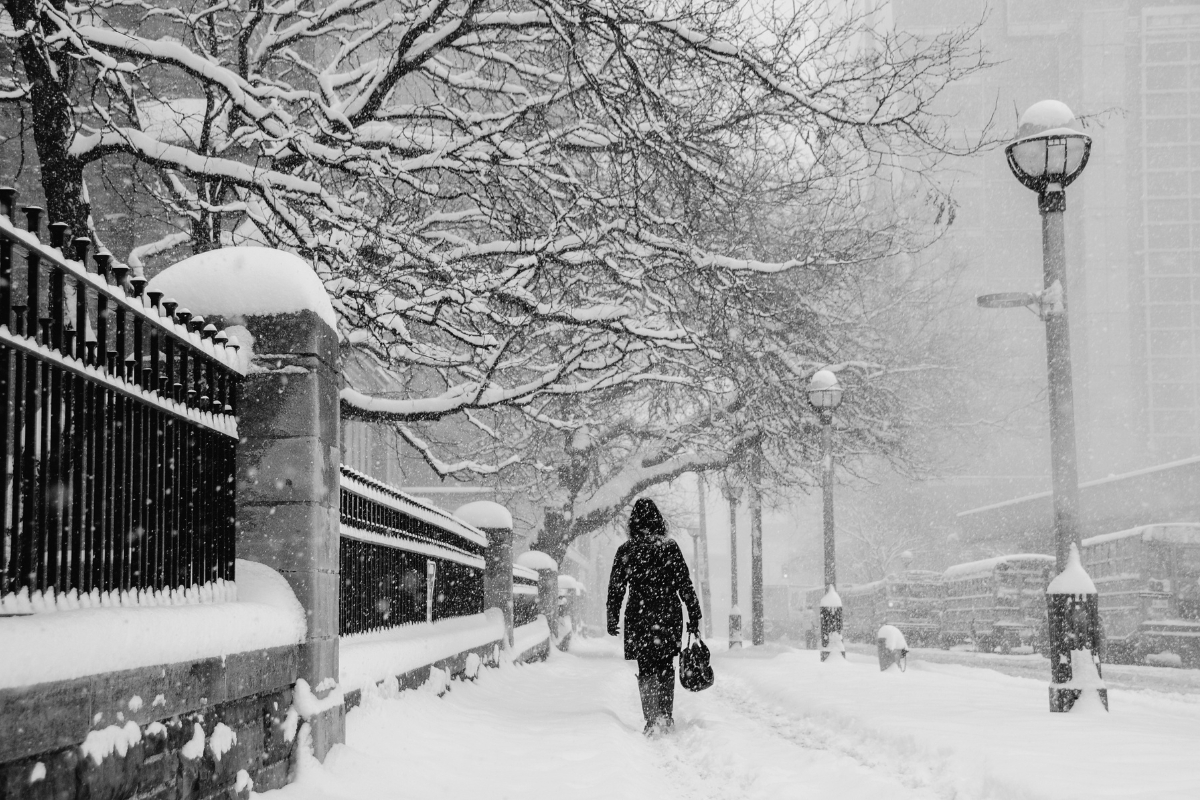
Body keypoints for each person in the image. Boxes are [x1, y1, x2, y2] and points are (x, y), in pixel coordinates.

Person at [607, 498, 702, 736]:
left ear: (633, 523)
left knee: (646, 666)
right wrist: (693, 613)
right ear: (659, 521)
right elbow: (684, 584)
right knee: (665, 665)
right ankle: (665, 716)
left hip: (640, 618)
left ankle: (651, 719)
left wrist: (612, 616)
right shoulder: (669, 548)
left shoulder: (627, 551)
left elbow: (616, 588)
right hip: (668, 615)